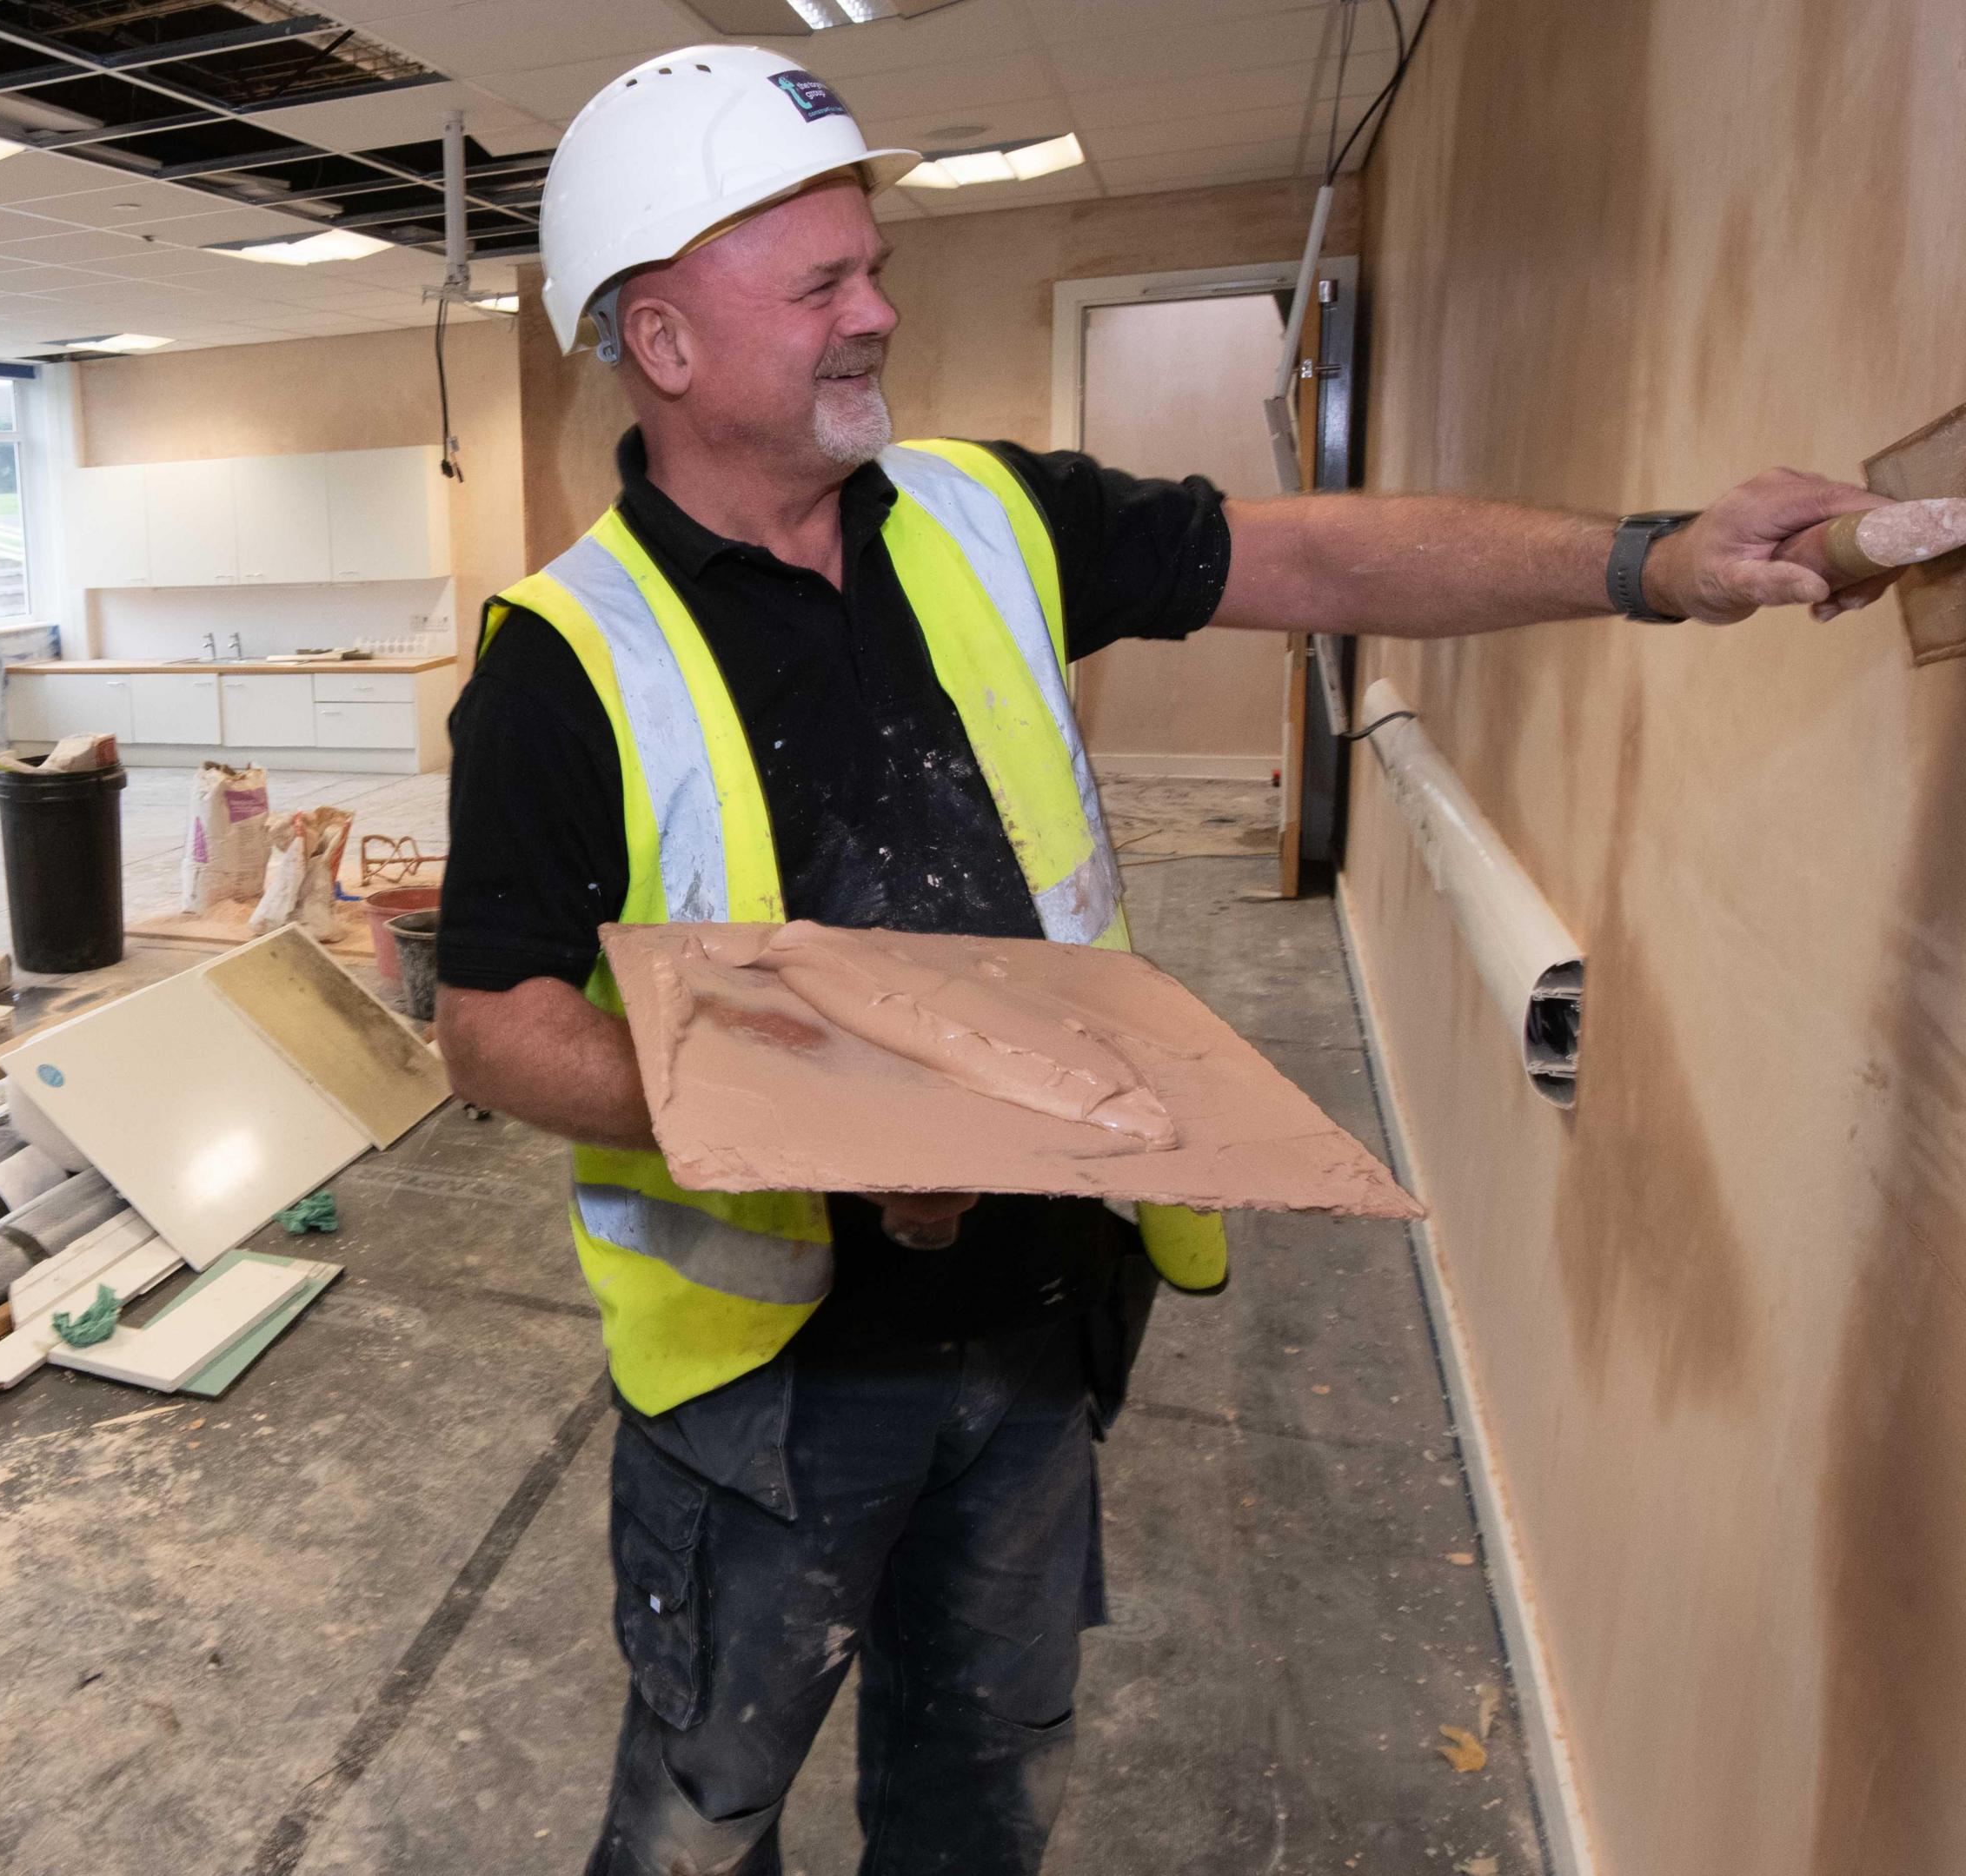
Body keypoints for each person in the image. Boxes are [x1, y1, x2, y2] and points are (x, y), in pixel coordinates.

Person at [434, 45, 1902, 1876]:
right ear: (661, 342)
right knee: (699, 1825)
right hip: (771, 1405)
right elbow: (490, 1031)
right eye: (820, 286)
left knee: (987, 1801)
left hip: (1043, 1331)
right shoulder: (566, 662)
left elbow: (1309, 558)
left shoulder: (980, 517)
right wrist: (824, 1122)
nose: (879, 311)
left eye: (868, 266)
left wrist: (1652, 561)